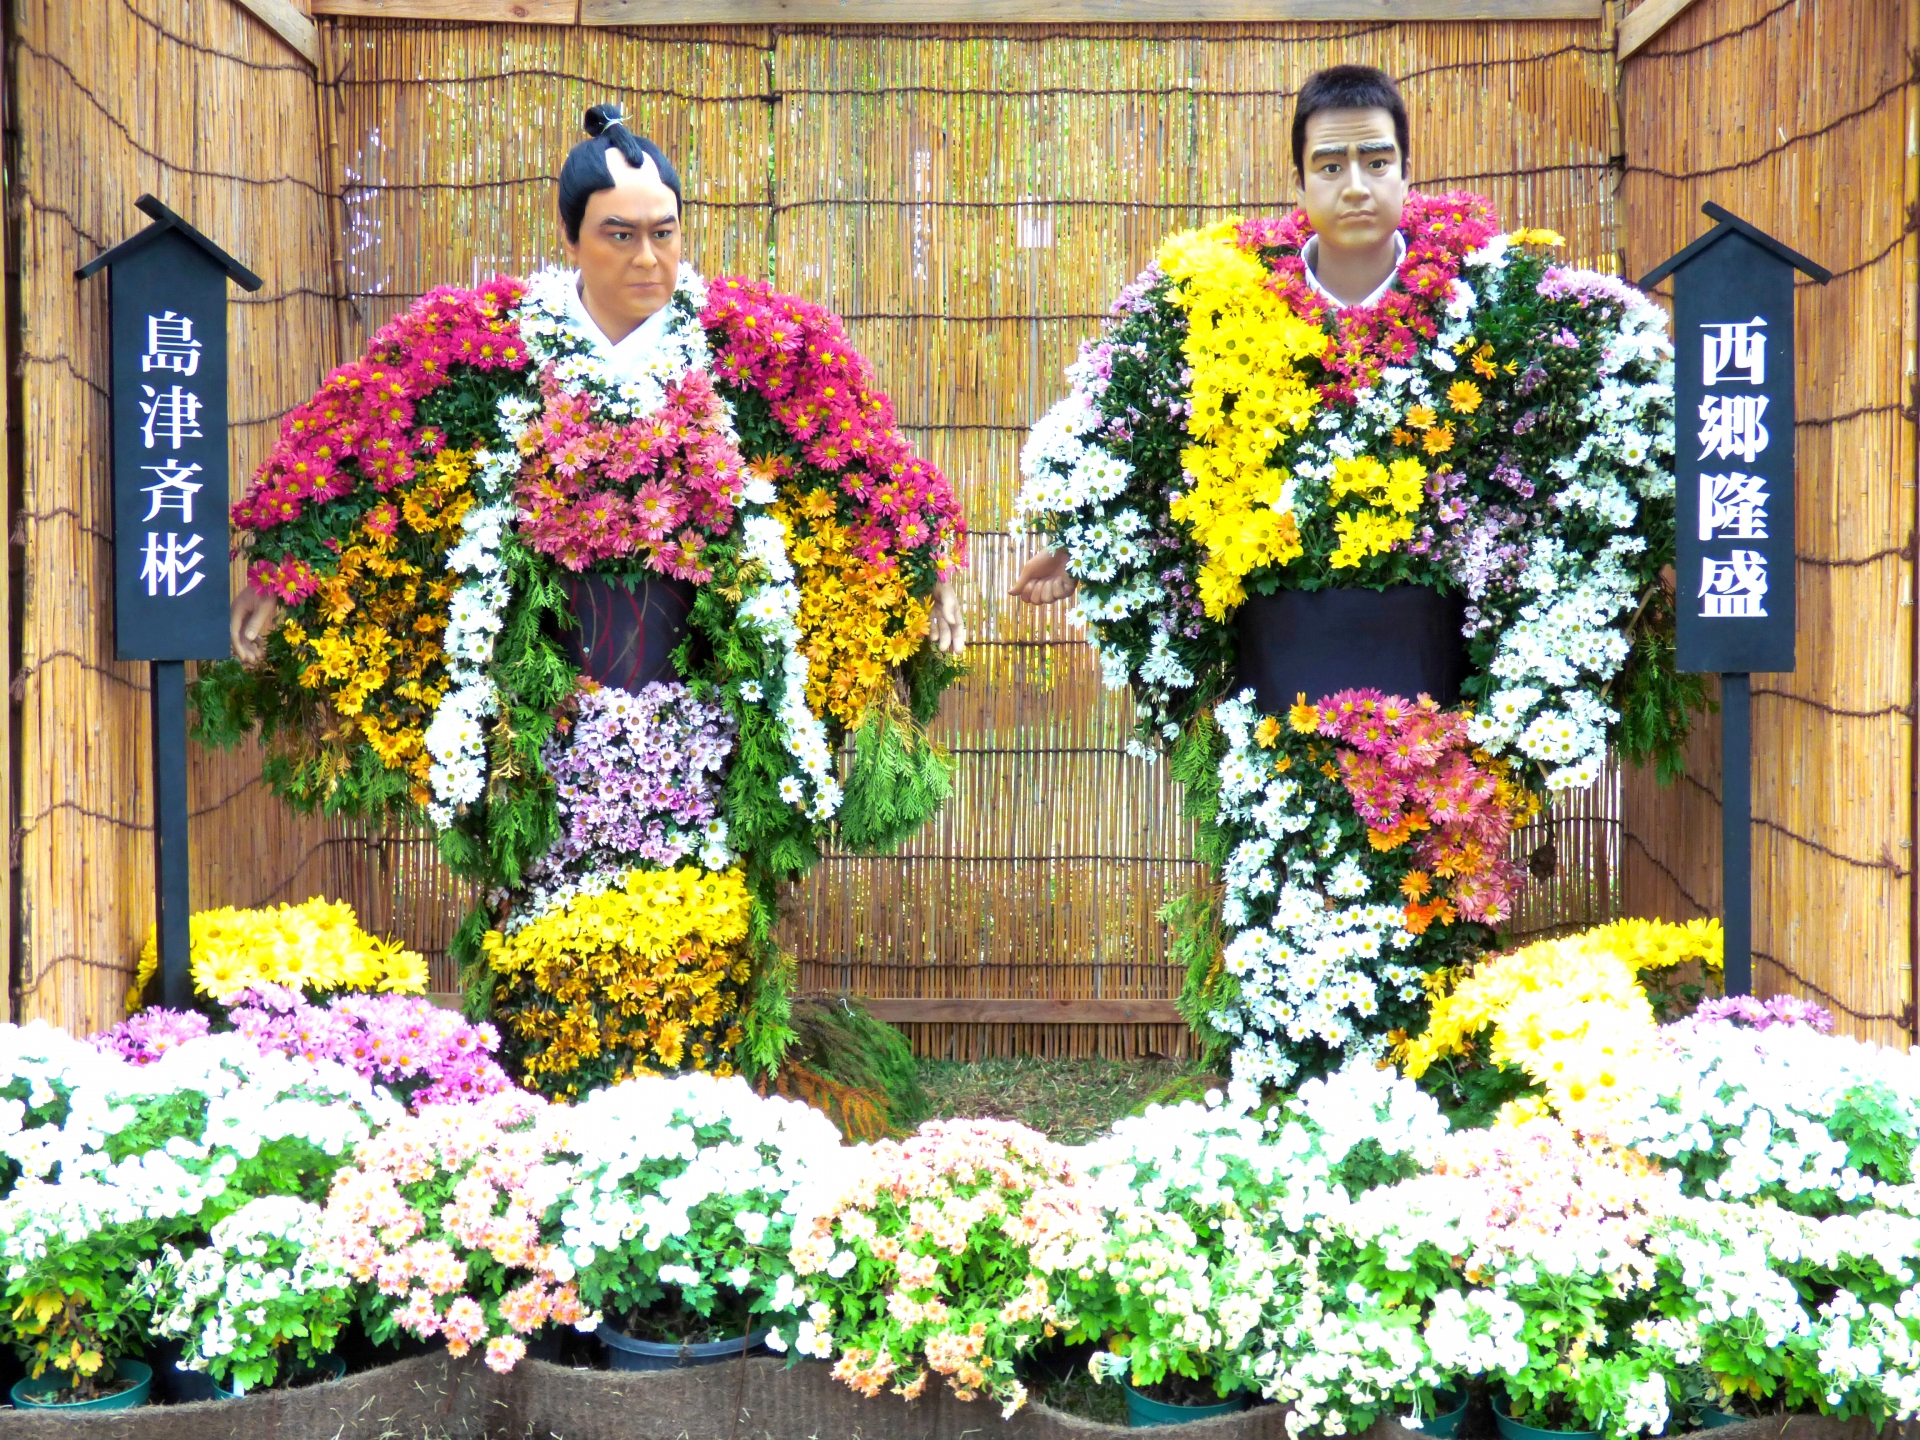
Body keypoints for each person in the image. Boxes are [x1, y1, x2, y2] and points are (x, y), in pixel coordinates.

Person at [232, 108, 967, 662]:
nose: (648, 258)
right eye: (621, 234)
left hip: (703, 662)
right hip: (534, 663)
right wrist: (280, 564)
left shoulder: (751, 338)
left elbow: (864, 453)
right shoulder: (489, 336)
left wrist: (932, 560)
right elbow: (358, 434)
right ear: (570, 236)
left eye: (665, 232)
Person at [1008, 62, 1411, 608]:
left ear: (1406, 171)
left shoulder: (1471, 299)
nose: (1357, 187)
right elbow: (1142, 430)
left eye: (1378, 162)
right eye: (1332, 167)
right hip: (1270, 625)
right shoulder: (1230, 296)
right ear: (1300, 183)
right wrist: (1075, 542)